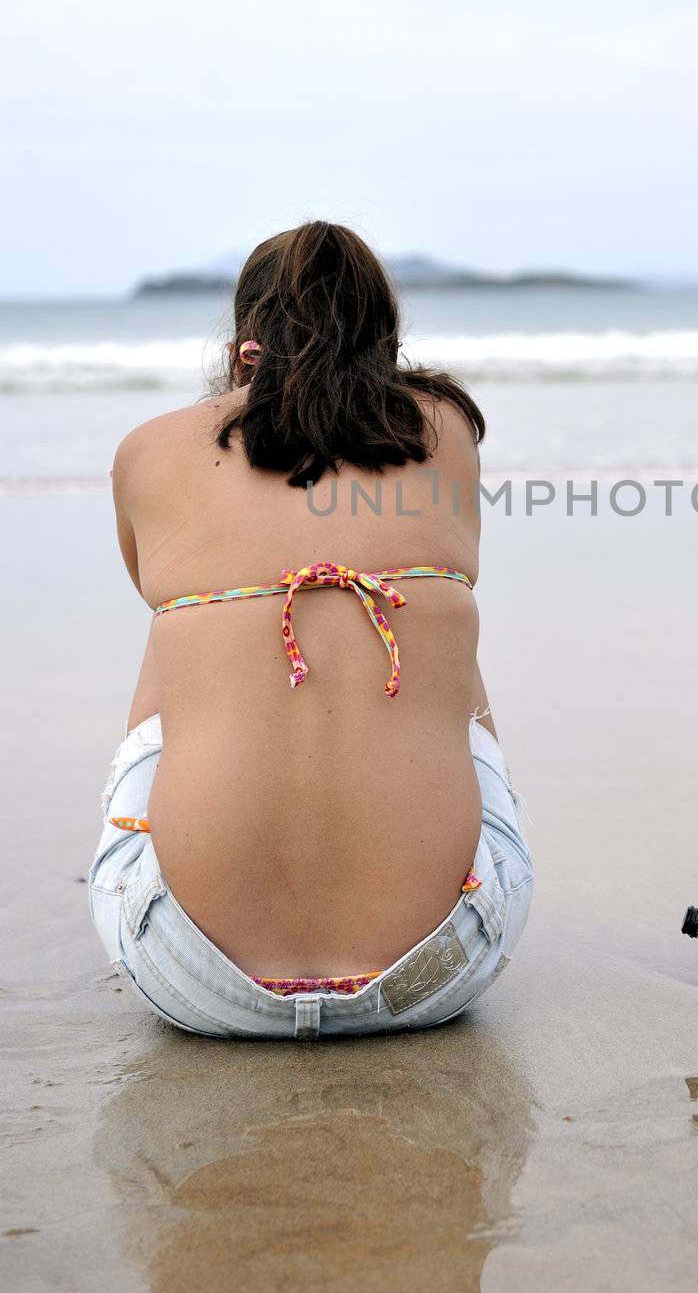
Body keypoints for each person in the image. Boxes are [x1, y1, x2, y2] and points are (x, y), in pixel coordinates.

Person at [89, 221, 533, 1039]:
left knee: (178, 626)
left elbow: (148, 583)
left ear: (242, 338)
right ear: (383, 334)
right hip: (439, 973)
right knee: (438, 626)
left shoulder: (149, 449)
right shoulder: (445, 429)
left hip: (190, 979)